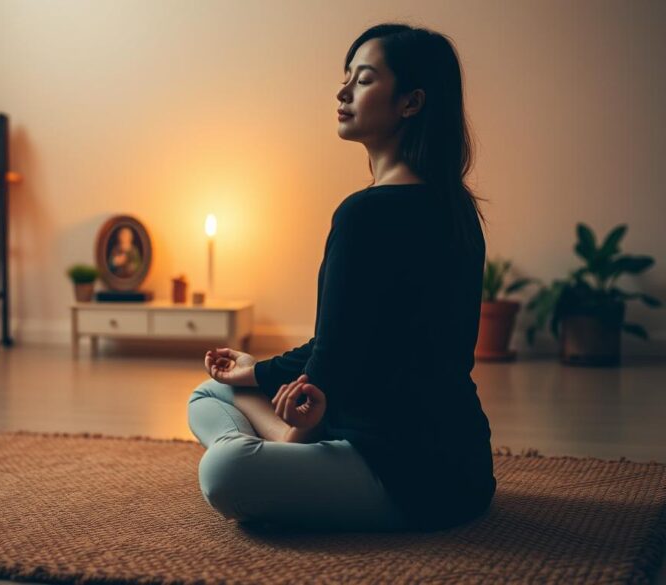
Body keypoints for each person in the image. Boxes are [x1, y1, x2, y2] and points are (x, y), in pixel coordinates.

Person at [186, 23, 496, 533]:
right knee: (214, 391)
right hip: (466, 468)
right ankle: (291, 442)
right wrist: (257, 370)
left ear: (410, 103)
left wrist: (285, 410)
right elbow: (349, 344)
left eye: (365, 79)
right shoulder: (457, 208)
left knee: (224, 467)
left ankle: (278, 448)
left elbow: (332, 360)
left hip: (400, 473)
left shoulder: (365, 214)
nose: (343, 91)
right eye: (346, 76)